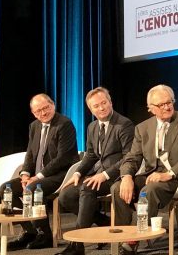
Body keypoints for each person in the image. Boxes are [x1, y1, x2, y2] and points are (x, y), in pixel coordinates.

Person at [110, 84, 178, 255]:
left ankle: (133, 241)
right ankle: (124, 235)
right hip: (152, 175)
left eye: (169, 102)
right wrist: (126, 177)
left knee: (149, 190)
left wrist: (169, 174)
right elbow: (132, 158)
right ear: (151, 109)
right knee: (117, 188)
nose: (167, 107)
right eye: (161, 105)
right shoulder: (142, 128)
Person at [56, 87, 135, 255]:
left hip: (117, 175)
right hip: (98, 174)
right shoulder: (92, 126)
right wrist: (77, 173)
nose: (101, 108)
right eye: (96, 106)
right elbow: (91, 155)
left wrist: (105, 175)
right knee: (66, 195)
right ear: (90, 109)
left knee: (87, 187)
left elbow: (128, 157)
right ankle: (105, 223)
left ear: (110, 102)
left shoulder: (124, 124)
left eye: (104, 103)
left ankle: (77, 245)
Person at [0, 94, 78, 250]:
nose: (43, 113)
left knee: (34, 188)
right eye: (38, 111)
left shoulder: (64, 124)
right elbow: (30, 153)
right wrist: (25, 174)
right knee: (6, 189)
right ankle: (29, 231)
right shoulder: (34, 126)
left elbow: (63, 157)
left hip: (61, 174)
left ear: (53, 105)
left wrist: (38, 177)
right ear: (33, 113)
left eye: (46, 108)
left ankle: (44, 235)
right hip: (37, 176)